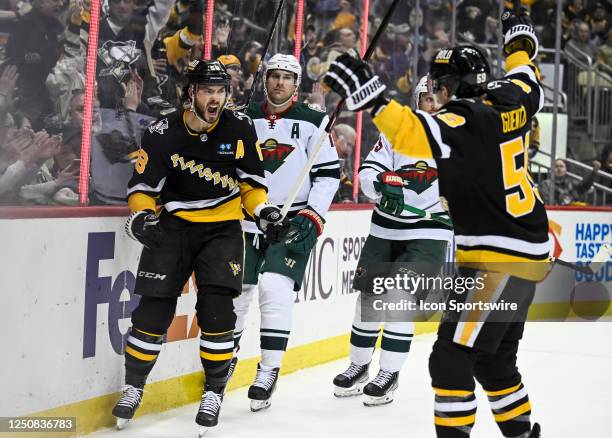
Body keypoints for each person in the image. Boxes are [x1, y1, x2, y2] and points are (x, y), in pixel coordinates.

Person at [324, 8, 547, 438]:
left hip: (496, 259)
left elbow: (410, 135)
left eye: (439, 87)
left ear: (450, 87)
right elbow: (524, 65)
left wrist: (370, 97)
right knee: (493, 360)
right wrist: (518, 29)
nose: (437, 94)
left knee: (449, 359)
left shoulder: (462, 119)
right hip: (530, 254)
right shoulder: (514, 95)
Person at [111, 60, 289, 434]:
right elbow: (142, 188)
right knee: (152, 313)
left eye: (221, 90)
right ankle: (133, 387)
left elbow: (251, 186)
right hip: (173, 228)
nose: (216, 98)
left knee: (218, 313)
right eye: (208, 90)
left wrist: (265, 213)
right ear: (190, 93)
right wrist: (143, 216)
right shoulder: (162, 132)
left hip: (222, 230)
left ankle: (214, 391)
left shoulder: (239, 126)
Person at [332, 76, 452, 406]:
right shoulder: (396, 134)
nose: (433, 104)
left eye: (439, 98)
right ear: (417, 103)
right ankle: (358, 366)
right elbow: (367, 173)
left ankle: (389, 372)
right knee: (369, 300)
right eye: (427, 98)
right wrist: (382, 184)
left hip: (429, 234)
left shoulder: (458, 139)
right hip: (385, 229)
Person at [230, 53, 340, 412]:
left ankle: (268, 370)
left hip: (291, 220)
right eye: (273, 75)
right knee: (238, 292)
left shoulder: (313, 121)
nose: (279, 82)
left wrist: (313, 216)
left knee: (274, 289)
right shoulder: (244, 118)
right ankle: (223, 359)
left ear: (296, 84)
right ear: (265, 79)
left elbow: (327, 176)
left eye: (286, 77)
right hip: (248, 217)